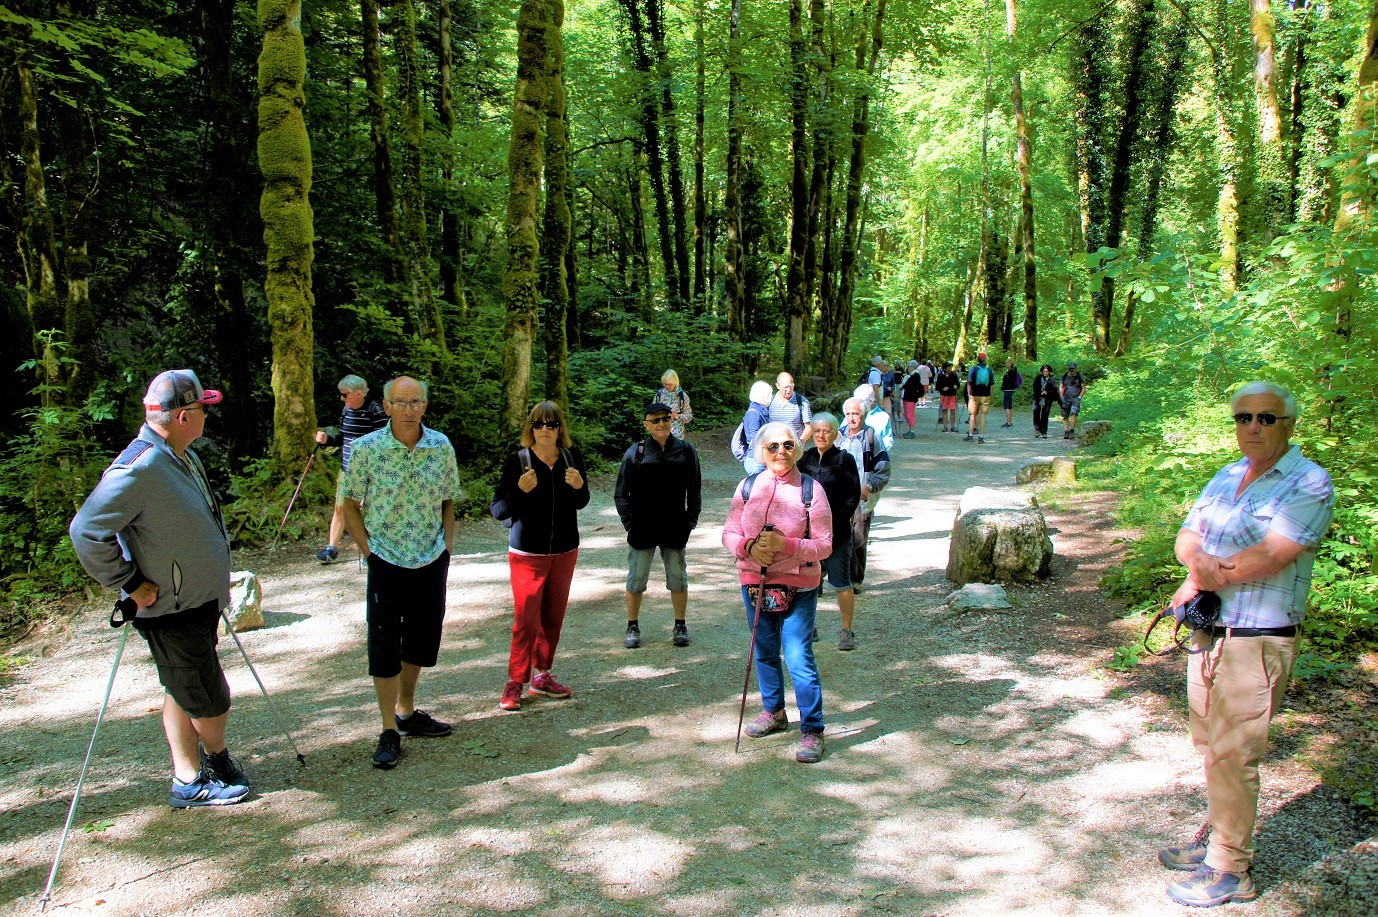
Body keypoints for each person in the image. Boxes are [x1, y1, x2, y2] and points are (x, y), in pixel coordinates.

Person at [1158, 381, 1335, 908]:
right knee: (1211, 746)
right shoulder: (1228, 474)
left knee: (1235, 754)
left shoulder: (1309, 482)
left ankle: (1230, 869)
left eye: (1265, 418)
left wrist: (1205, 572)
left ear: (1289, 425)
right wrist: (1198, 562)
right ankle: (1217, 838)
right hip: (1209, 632)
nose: (1252, 427)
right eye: (1243, 418)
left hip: (1258, 638)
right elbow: (1187, 535)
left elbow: (1273, 554)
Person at [70, 369, 250, 807]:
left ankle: (192, 774)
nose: (208, 415)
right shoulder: (144, 464)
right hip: (171, 608)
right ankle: (207, 767)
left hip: (195, 600)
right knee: (210, 698)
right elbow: (87, 530)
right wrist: (130, 582)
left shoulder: (179, 453)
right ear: (185, 415)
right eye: (203, 408)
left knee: (180, 688)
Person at [342, 376, 461, 769]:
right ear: (387, 405)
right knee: (384, 642)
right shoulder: (366, 449)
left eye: (416, 401)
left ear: (425, 405)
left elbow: (448, 499)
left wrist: (446, 545)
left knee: (422, 640)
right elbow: (349, 504)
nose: (409, 409)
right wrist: (368, 550)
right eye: (401, 402)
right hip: (386, 560)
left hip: (430, 558)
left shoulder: (440, 445)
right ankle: (387, 728)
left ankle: (407, 712)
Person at [722, 421, 833, 763]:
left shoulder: (811, 490)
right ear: (761, 452)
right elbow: (728, 532)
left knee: (798, 655)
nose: (780, 452)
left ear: (797, 449)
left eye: (787, 445)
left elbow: (825, 545)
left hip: (798, 585)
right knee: (764, 650)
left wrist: (787, 545)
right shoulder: (748, 485)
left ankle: (813, 729)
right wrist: (749, 547)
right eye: (772, 447)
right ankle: (774, 712)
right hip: (755, 582)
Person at [490, 401, 590, 712]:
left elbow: (581, 501)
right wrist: (519, 490)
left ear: (560, 428)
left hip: (564, 551)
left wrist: (579, 486)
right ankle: (515, 681)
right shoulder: (519, 461)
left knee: (552, 618)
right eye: (538, 424)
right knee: (525, 620)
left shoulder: (572, 459)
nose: (544, 430)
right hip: (527, 554)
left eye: (551, 424)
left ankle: (542, 675)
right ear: (530, 428)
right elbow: (498, 510)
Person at [615, 401, 703, 649]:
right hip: (642, 526)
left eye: (665, 419)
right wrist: (629, 524)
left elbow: (694, 490)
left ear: (672, 421)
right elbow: (621, 493)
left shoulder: (686, 451)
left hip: (675, 525)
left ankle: (680, 624)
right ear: (647, 424)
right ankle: (632, 625)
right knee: (636, 578)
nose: (662, 424)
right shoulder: (636, 453)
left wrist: (690, 522)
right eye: (656, 420)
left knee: (678, 577)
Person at [798, 414, 861, 650]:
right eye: (817, 431)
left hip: (838, 534)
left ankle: (846, 631)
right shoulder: (805, 458)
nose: (821, 435)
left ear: (835, 433)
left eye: (827, 431)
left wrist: (832, 526)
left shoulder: (846, 460)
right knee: (808, 583)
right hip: (808, 536)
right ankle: (808, 626)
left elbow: (851, 498)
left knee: (841, 582)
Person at [315, 374, 387, 563]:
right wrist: (327, 441)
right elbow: (343, 439)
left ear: (359, 393)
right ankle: (331, 549)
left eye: (344, 394)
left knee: (371, 510)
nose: (342, 398)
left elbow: (384, 442)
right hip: (346, 470)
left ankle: (372, 550)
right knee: (340, 509)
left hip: (370, 472)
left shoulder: (375, 412)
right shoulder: (346, 410)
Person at [838, 393, 892, 588]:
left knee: (859, 539)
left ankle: (855, 579)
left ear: (863, 415)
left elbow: (884, 468)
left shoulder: (871, 437)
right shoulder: (839, 435)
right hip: (839, 497)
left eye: (856, 414)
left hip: (862, 498)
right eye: (848, 413)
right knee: (835, 536)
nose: (852, 418)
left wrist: (869, 487)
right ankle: (830, 577)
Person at [768, 372, 814, 446]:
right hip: (773, 447)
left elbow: (809, 427)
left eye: (791, 386)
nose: (789, 390)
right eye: (785, 387)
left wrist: (799, 443)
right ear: (777, 386)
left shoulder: (802, 401)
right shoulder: (769, 401)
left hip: (794, 448)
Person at [739, 380, 774, 475]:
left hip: (760, 458)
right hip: (756, 461)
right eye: (769, 395)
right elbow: (756, 439)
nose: (771, 398)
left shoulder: (761, 412)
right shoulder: (754, 413)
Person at [965, 352, 995, 443]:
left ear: (977, 359)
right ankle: (981, 437)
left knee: (972, 415)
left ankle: (970, 435)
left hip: (974, 395)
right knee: (983, 416)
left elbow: (969, 384)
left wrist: (968, 394)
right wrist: (990, 395)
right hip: (985, 396)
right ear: (985, 360)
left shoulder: (973, 369)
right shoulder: (989, 370)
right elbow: (992, 385)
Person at [655, 369, 693, 440]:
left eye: (670, 384)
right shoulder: (659, 394)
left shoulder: (682, 396)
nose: (667, 387)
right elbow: (652, 414)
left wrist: (676, 416)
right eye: (665, 384)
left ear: (676, 383)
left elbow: (689, 417)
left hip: (677, 437)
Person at [1060, 362, 1086, 440]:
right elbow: (1061, 387)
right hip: (1066, 398)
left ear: (1076, 368)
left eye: (1073, 368)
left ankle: (1072, 430)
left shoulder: (1079, 376)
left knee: (1074, 413)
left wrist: (1080, 397)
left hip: (1075, 398)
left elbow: (1084, 388)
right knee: (1065, 415)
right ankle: (1066, 431)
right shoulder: (1064, 376)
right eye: (1070, 369)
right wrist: (1061, 397)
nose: (1071, 370)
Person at [899, 360, 924, 439]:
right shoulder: (911, 375)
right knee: (907, 414)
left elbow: (910, 386)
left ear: (913, 367)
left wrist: (903, 386)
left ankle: (912, 431)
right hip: (907, 397)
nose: (908, 368)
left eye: (909, 366)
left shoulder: (915, 375)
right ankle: (910, 430)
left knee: (910, 415)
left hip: (911, 398)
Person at [1032, 364, 1058, 438]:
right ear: (1042, 371)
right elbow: (1035, 387)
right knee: (1036, 412)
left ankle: (1043, 431)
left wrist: (1047, 392)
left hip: (1047, 399)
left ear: (1049, 372)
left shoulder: (1052, 379)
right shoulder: (1038, 378)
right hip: (1037, 398)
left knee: (1045, 414)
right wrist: (1040, 393)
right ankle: (1037, 430)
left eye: (1047, 371)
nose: (1045, 373)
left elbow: (1054, 389)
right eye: (1044, 371)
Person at [936, 361, 960, 433]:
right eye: (948, 367)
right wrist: (942, 388)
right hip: (944, 395)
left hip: (952, 394)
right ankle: (945, 426)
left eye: (950, 367)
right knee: (944, 410)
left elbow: (957, 384)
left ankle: (953, 426)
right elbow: (937, 387)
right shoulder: (940, 375)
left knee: (953, 410)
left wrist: (956, 386)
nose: (950, 368)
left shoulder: (953, 374)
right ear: (945, 368)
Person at [1000, 358, 1023, 428]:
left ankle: (1008, 422)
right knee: (1010, 407)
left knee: (1007, 407)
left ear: (1010, 364)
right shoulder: (1014, 371)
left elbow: (1010, 382)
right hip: (1012, 390)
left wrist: (1003, 387)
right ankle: (1009, 421)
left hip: (1008, 391)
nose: (1006, 364)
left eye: (1007, 363)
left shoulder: (1010, 373)